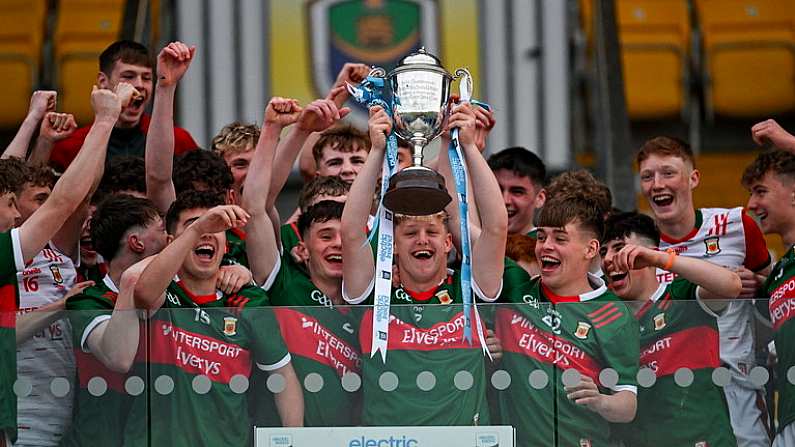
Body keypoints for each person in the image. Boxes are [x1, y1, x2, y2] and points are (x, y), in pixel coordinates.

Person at [341, 102, 508, 426]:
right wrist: (376, 150)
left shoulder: (470, 288)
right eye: (410, 232)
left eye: (432, 231)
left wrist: (470, 147)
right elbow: (350, 231)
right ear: (394, 244)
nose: (422, 240)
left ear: (448, 243)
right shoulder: (375, 294)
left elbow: (497, 227)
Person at [0, 83, 131, 446]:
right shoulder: (5, 249)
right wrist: (105, 118)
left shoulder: (57, 248)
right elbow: (57, 199)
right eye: (35, 199)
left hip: (60, 405)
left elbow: (81, 190)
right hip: (18, 410)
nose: (48, 205)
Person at [130, 191, 303, 446]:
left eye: (217, 226)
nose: (207, 232)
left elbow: (283, 377)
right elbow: (143, 295)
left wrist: (294, 440)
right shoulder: (163, 290)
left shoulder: (248, 301)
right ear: (170, 241)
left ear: (226, 245)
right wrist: (199, 228)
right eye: (194, 224)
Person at [637, 136, 772, 446]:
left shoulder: (738, 225)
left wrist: (758, 283)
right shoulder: (638, 244)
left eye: (668, 172)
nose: (657, 184)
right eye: (648, 176)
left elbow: (774, 293)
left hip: (737, 388)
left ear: (693, 178)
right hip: (671, 396)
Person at [241, 96, 361, 426]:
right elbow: (254, 207)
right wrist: (276, 130)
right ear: (302, 243)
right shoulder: (282, 283)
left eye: (346, 233)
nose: (338, 243)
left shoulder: (377, 296)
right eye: (325, 234)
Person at [493, 195, 639, 447]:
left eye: (560, 239)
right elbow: (475, 231)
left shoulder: (613, 313)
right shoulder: (516, 288)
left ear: (590, 249)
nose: (546, 246)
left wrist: (600, 401)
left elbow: (628, 405)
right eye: (541, 237)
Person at [601, 211, 740, 447]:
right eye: (603, 252)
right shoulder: (606, 325)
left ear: (648, 251)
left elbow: (731, 285)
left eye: (619, 248)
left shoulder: (681, 295)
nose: (607, 259)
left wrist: (661, 259)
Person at [60, 194, 167, 447]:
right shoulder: (86, 300)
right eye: (162, 230)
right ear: (136, 243)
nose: (170, 238)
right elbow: (119, 358)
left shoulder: (175, 292)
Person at [50, 40, 198, 172]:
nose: (139, 84)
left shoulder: (179, 141)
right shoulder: (70, 146)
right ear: (103, 81)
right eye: (128, 76)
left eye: (146, 78)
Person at [742, 150, 795, 447]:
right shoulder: (779, 276)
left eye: (761, 191)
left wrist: (785, 141)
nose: (751, 204)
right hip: (787, 415)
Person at [487, 146, 546, 237]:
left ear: (539, 198)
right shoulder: (469, 244)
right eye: (497, 190)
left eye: (517, 192)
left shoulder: (545, 249)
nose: (505, 200)